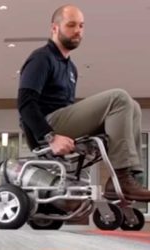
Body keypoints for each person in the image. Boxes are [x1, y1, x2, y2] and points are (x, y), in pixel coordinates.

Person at [17, 4, 150, 201]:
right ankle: (121, 178)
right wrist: (50, 137)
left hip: (63, 121)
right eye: (71, 25)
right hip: (48, 125)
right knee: (119, 97)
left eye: (81, 26)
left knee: (133, 106)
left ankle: (130, 176)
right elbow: (25, 103)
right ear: (55, 28)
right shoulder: (41, 58)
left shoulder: (71, 69)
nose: (78, 31)